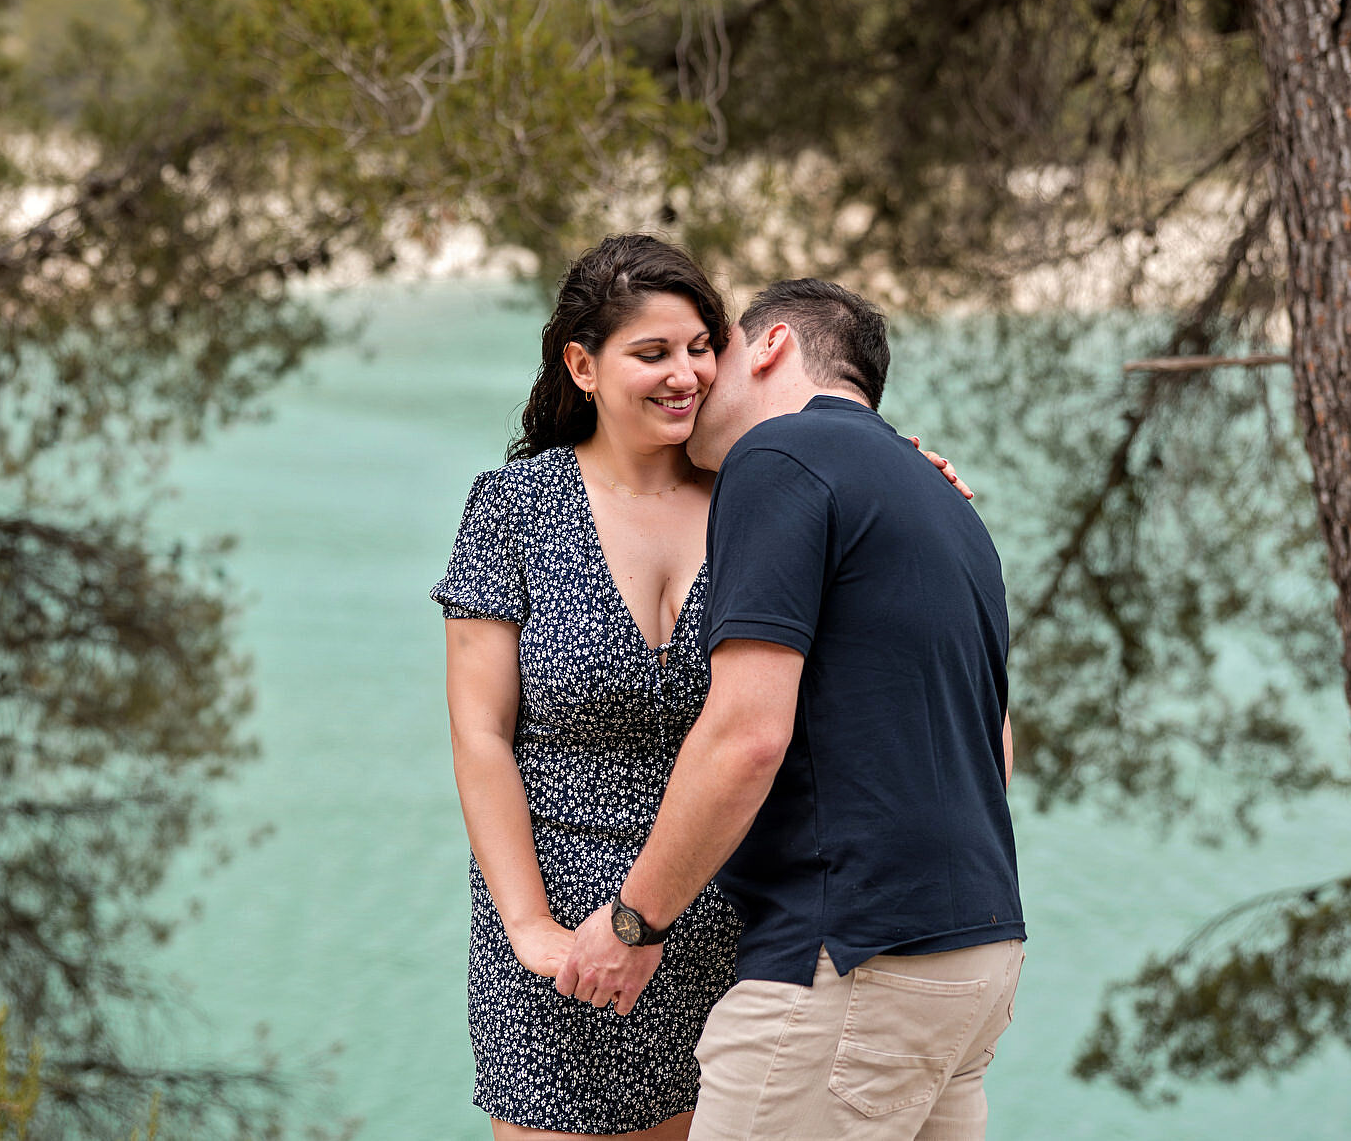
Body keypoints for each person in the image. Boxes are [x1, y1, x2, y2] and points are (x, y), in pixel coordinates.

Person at [432, 241, 971, 1139]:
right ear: (583, 365)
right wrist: (528, 927)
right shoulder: (513, 507)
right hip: (564, 943)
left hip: (739, 932)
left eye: (699, 348)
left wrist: (915, 473)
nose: (685, 375)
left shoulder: (766, 494)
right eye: (652, 354)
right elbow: (480, 735)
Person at [554, 278, 1024, 1141]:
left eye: (712, 348)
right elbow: (994, 752)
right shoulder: (948, 507)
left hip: (848, 953)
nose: (692, 377)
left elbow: (747, 737)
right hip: (978, 952)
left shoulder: (777, 457)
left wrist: (633, 922)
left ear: (768, 346)